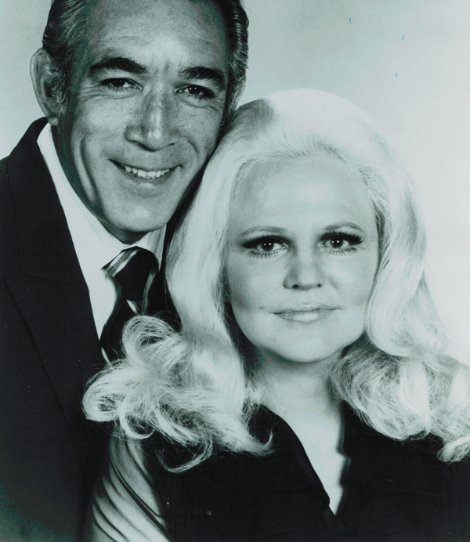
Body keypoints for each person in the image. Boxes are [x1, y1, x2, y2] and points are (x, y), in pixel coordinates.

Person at [84, 89, 470, 542]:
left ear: (384, 255)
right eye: (267, 244)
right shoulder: (155, 443)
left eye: (339, 241)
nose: (306, 277)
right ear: (216, 265)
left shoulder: (456, 426)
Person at [0, 0, 248, 541]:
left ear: (229, 106)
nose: (155, 131)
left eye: (195, 90)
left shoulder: (250, 269)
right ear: (52, 86)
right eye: (120, 81)